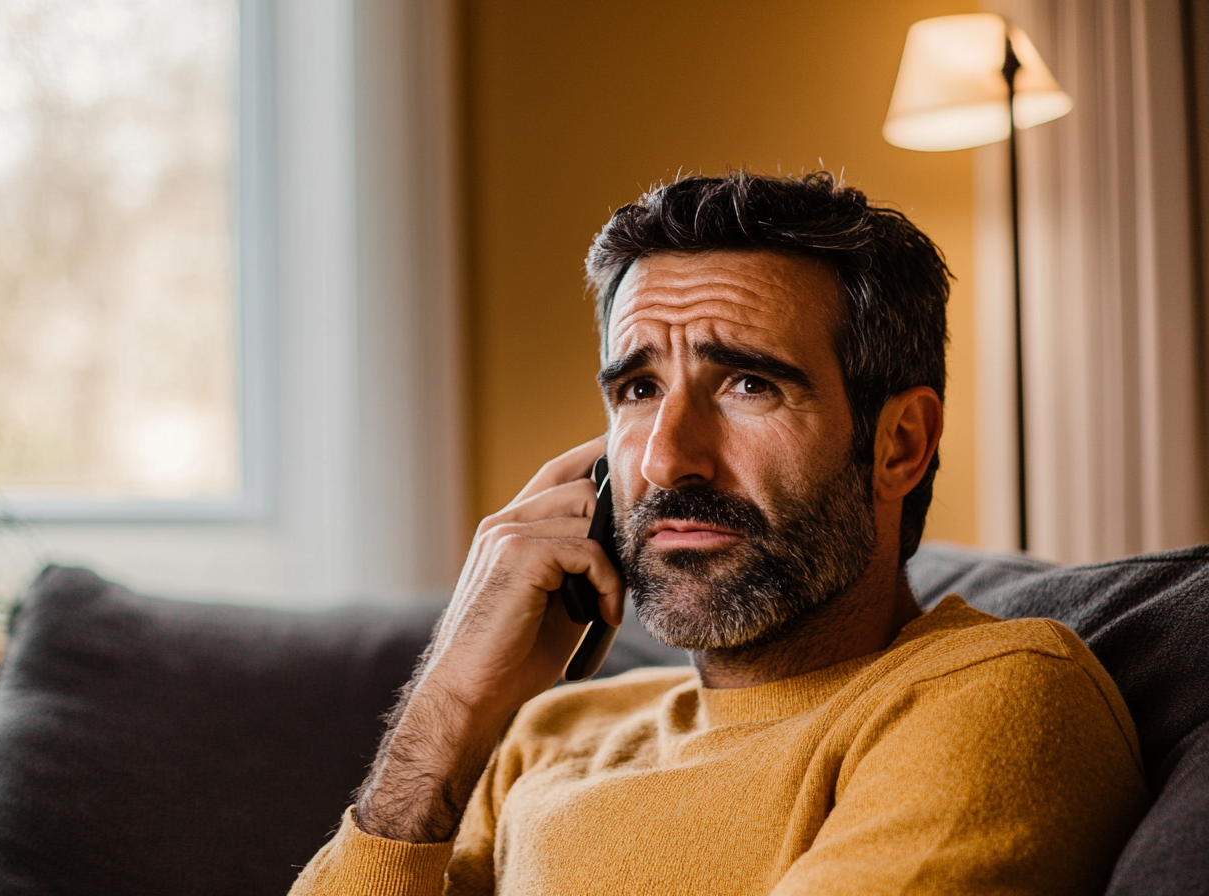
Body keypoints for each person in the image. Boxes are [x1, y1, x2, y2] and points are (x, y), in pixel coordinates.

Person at [291, 172, 1147, 895]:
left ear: (900, 445)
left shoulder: (992, 697)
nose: (668, 460)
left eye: (747, 384)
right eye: (636, 390)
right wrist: (450, 706)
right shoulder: (542, 739)